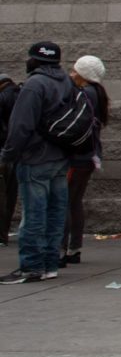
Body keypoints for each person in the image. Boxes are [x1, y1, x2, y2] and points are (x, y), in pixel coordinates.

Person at [0, 42, 74, 285]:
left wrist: (8, 155)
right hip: (60, 157)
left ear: (34, 61)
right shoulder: (66, 82)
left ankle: (31, 266)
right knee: (55, 213)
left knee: (34, 214)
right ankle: (50, 264)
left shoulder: (34, 85)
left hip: (34, 158)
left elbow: (21, 125)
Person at [61, 55, 108, 267]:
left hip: (77, 156)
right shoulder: (97, 93)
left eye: (75, 71)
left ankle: (61, 249)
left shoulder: (84, 94)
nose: (71, 74)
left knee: (64, 202)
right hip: (89, 155)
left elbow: (74, 124)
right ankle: (74, 248)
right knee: (75, 201)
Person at [0, 72, 20, 246]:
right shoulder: (20, 94)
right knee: (10, 194)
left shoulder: (2, 97)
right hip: (17, 152)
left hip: (4, 151)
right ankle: (4, 231)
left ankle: (1, 234)